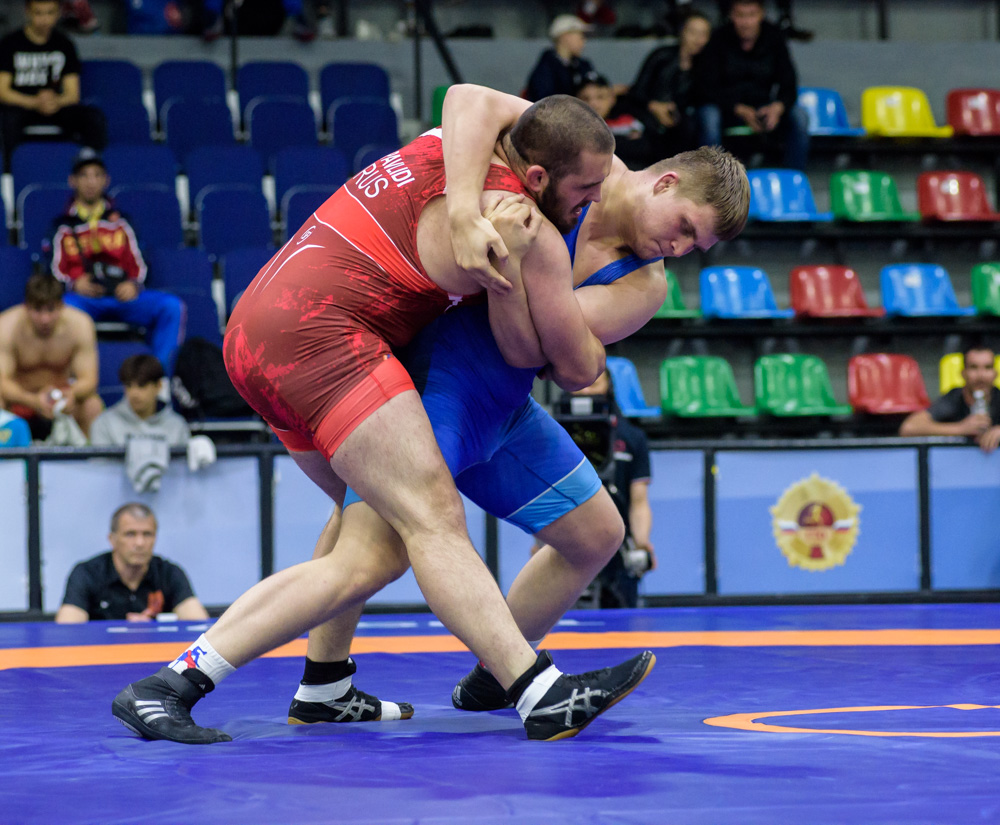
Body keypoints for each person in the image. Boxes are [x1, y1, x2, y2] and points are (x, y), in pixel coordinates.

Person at [112, 91, 656, 745]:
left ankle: (322, 685)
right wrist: (498, 248)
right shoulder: (516, 223)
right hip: (322, 338)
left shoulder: (450, 142)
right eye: (586, 189)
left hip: (259, 326)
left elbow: (474, 99)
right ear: (538, 176)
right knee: (423, 523)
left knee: (366, 540)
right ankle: (536, 690)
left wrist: (462, 207)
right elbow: (554, 361)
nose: (593, 202)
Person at [50, 148, 185, 374]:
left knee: (171, 307)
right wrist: (74, 284)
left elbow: (140, 264)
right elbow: (52, 269)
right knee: (59, 310)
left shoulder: (122, 222)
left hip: (124, 297)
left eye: (97, 175)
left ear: (106, 180)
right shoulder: (62, 225)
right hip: (84, 300)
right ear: (72, 181)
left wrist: (134, 284)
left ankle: (158, 379)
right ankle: (71, 379)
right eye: (84, 175)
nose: (91, 182)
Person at [566, 369, 655, 609]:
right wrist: (540, 543)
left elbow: (639, 501)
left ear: (609, 387)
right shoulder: (555, 435)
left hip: (618, 550)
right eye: (579, 385)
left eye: (594, 384)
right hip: (569, 546)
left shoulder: (631, 437)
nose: (586, 391)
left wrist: (642, 543)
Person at [694, 0, 809, 170]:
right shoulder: (718, 39)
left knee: (799, 117)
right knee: (708, 117)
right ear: (731, 15)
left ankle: (794, 177)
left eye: (751, 15)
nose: (746, 22)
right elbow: (705, 87)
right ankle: (711, 179)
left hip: (762, 107)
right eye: (740, 15)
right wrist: (737, 108)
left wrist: (778, 107)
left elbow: (789, 83)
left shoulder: (774, 38)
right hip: (726, 108)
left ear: (761, 14)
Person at [55, 502, 209, 623]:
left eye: (147, 534)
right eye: (130, 534)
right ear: (112, 539)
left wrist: (154, 629)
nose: (140, 543)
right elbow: (67, 630)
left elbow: (199, 625)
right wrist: (124, 631)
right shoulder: (87, 573)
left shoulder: (169, 573)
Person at [90, 353, 216, 491]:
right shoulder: (103, 424)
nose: (134, 393)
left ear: (159, 385)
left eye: (142, 385)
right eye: (129, 385)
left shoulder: (177, 425)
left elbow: (183, 477)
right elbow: (99, 477)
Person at [0, 0, 105, 167]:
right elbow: (3, 92)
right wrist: (34, 102)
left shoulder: (64, 44)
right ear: (27, 12)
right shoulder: (10, 43)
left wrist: (55, 101)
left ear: (58, 13)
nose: (44, 19)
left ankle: (92, 170)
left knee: (93, 117)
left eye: (50, 13)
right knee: (8, 119)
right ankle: (10, 172)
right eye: (38, 13)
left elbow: (73, 94)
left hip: (55, 106)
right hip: (21, 106)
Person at [0, 272, 102, 440]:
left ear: (61, 306)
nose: (45, 319)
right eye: (37, 310)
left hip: (62, 400)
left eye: (51, 309)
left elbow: (89, 380)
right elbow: (2, 382)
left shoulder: (80, 325)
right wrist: (33, 400)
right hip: (21, 400)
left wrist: (71, 394)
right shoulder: (6, 326)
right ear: (26, 307)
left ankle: (89, 455)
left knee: (92, 405)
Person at [626, 11, 712, 157]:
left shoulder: (707, 65)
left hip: (678, 118)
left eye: (703, 34)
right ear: (682, 32)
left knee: (687, 127)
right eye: (693, 32)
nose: (698, 39)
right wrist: (654, 105)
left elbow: (700, 97)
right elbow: (637, 90)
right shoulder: (661, 55)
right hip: (646, 110)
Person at [900, 345, 1000, 453]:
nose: (981, 375)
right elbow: (909, 427)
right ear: (963, 373)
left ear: (995, 373)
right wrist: (960, 429)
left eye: (988, 367)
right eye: (973, 367)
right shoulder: (954, 398)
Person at [576, 75, 656, 170]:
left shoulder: (628, 119)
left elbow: (647, 148)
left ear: (612, 98)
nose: (593, 103)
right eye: (585, 98)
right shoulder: (573, 129)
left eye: (600, 97)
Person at [524, 14, 600, 102]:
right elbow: (545, 103)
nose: (584, 41)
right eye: (581, 36)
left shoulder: (583, 65)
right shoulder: (544, 71)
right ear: (565, 37)